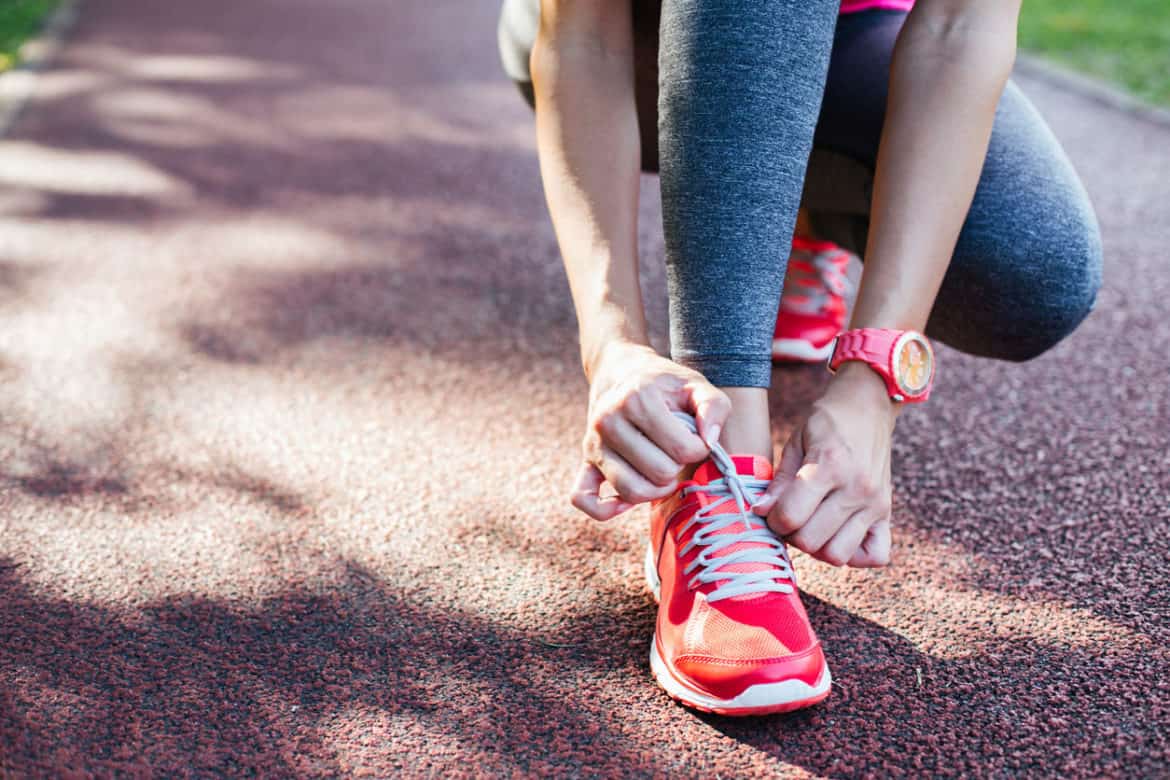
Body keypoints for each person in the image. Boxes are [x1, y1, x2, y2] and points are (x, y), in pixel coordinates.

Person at [498, 0, 1102, 715]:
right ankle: (718, 471)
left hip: (851, 39)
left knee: (1034, 274)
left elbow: (957, 32)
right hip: (633, 44)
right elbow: (581, 38)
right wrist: (614, 347)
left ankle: (794, 227)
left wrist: (875, 377)